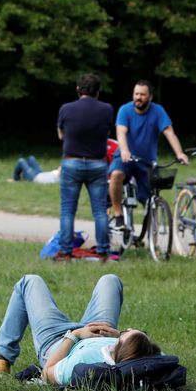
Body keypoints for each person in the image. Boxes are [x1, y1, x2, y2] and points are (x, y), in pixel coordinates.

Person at [0, 274, 163, 386]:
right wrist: (117, 335)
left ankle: (2, 358)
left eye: (126, 332)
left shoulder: (84, 361)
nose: (128, 329)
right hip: (100, 330)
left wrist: (75, 335)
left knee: (29, 282)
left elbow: (47, 373)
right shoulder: (146, 357)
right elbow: (160, 355)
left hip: (59, 341)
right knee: (111, 280)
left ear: (117, 349)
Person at [110, 80, 189, 228]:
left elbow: (169, 133)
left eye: (142, 94)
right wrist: (125, 150)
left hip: (146, 161)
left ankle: (151, 238)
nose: (138, 97)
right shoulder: (124, 110)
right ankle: (118, 214)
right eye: (136, 94)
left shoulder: (158, 111)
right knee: (116, 175)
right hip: (125, 157)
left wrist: (180, 153)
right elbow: (121, 133)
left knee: (149, 199)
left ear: (150, 97)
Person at [55, 73, 115, 260]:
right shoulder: (107, 109)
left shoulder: (66, 108)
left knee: (67, 210)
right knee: (99, 210)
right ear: (98, 91)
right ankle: (103, 251)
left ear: (78, 89)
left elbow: (61, 135)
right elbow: (107, 132)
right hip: (98, 163)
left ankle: (65, 252)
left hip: (71, 162)